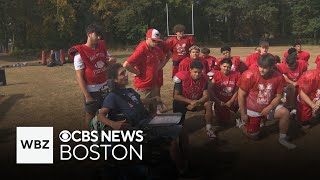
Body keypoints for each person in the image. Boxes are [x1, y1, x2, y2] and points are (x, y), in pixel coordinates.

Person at [98, 63, 190, 177]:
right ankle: (182, 170)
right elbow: (100, 115)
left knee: (182, 127)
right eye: (122, 74)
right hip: (142, 127)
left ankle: (186, 159)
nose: (126, 75)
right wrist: (113, 124)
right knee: (172, 142)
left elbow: (139, 102)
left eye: (125, 72)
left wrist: (153, 99)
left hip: (150, 120)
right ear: (114, 80)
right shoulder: (112, 96)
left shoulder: (130, 91)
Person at [237, 54, 296, 149]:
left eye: (265, 67)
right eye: (260, 66)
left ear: (272, 67)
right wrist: (243, 113)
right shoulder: (249, 74)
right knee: (254, 136)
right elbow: (241, 95)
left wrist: (269, 107)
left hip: (269, 106)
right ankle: (241, 124)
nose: (261, 70)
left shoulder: (278, 77)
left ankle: (282, 137)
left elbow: (278, 96)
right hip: (252, 108)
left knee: (285, 113)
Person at [68, 23, 116, 129]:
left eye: (100, 35)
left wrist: (112, 60)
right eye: (96, 35)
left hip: (105, 87)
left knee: (107, 113)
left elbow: (108, 60)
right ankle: (87, 138)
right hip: (92, 90)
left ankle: (105, 137)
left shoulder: (101, 47)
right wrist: (87, 96)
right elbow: (79, 76)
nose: (99, 37)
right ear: (89, 34)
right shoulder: (79, 54)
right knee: (90, 115)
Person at [123, 29, 165, 114]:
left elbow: (163, 59)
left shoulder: (156, 49)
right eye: (153, 41)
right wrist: (137, 72)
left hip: (154, 84)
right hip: (143, 86)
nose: (156, 43)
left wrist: (157, 69)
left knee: (154, 109)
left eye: (157, 41)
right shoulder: (141, 50)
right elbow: (126, 64)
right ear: (147, 38)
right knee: (144, 111)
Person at [173, 60, 215, 139]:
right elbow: (176, 96)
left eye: (199, 72)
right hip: (184, 101)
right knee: (177, 104)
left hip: (197, 101)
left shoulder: (204, 78)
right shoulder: (182, 77)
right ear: (190, 70)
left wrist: (197, 102)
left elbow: (206, 95)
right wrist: (191, 102)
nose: (197, 74)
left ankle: (209, 128)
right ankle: (179, 126)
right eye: (195, 72)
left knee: (208, 103)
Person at [208, 58, 241, 132]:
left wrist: (231, 101)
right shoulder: (216, 74)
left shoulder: (236, 74)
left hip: (231, 100)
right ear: (220, 66)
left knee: (231, 119)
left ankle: (238, 119)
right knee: (219, 121)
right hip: (219, 101)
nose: (226, 69)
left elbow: (237, 89)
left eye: (228, 67)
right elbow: (210, 89)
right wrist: (218, 101)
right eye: (224, 66)